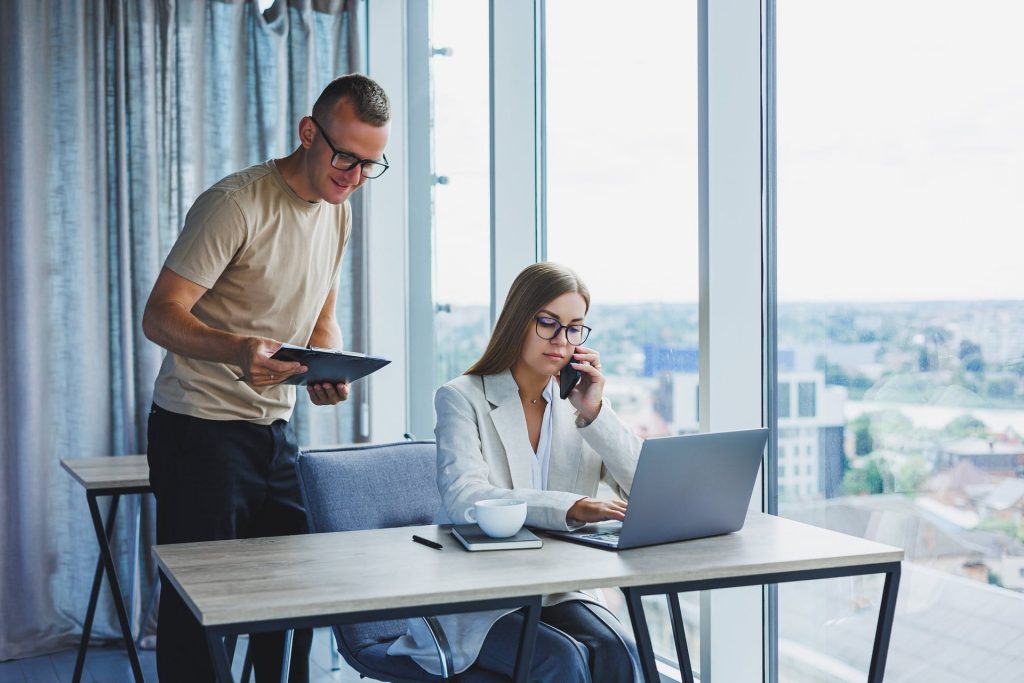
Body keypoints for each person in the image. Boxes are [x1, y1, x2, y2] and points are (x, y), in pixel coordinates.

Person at [141, 74, 390, 682]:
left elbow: (322, 316)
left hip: (273, 431)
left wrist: (324, 368)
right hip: (198, 430)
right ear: (309, 133)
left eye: (369, 165)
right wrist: (237, 350)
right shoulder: (237, 203)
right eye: (345, 158)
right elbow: (160, 315)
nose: (354, 176)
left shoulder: (338, 213)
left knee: (292, 597)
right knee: (202, 611)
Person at [390, 262, 643, 682]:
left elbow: (642, 485)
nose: (562, 341)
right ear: (517, 321)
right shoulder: (460, 398)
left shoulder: (578, 403)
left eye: (574, 328)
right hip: (480, 596)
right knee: (562, 660)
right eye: (548, 323)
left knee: (619, 653)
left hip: (557, 591)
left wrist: (595, 412)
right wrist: (573, 507)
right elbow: (466, 496)